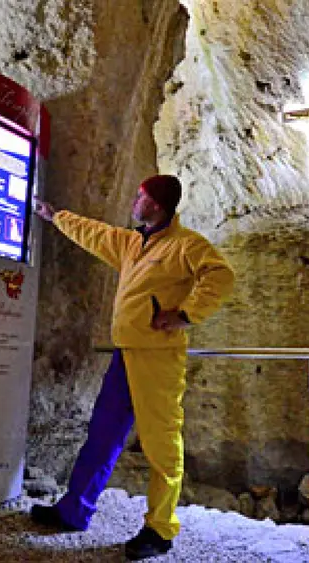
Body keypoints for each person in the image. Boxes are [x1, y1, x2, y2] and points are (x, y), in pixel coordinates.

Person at [29, 174, 235, 560]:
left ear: (156, 203)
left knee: (161, 444)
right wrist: (55, 216)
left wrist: (186, 315)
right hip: (126, 354)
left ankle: (160, 529)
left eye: (140, 196)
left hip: (158, 358)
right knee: (102, 435)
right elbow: (94, 233)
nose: (134, 201)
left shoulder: (185, 244)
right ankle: (75, 510)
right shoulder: (131, 243)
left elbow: (220, 276)